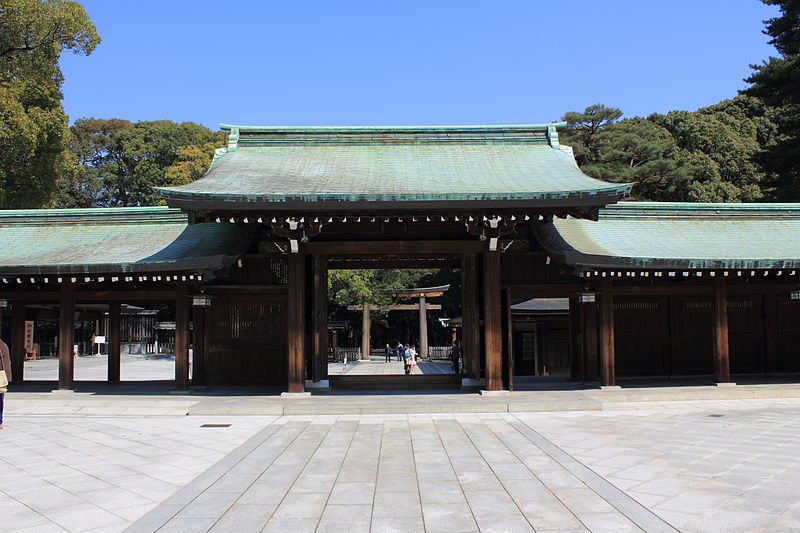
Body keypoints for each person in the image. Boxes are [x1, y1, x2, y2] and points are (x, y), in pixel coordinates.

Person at [0, 338, 11, 430]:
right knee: (0, 400)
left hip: (0, 375)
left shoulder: (1, 346)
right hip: (2, 376)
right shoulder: (4, 345)